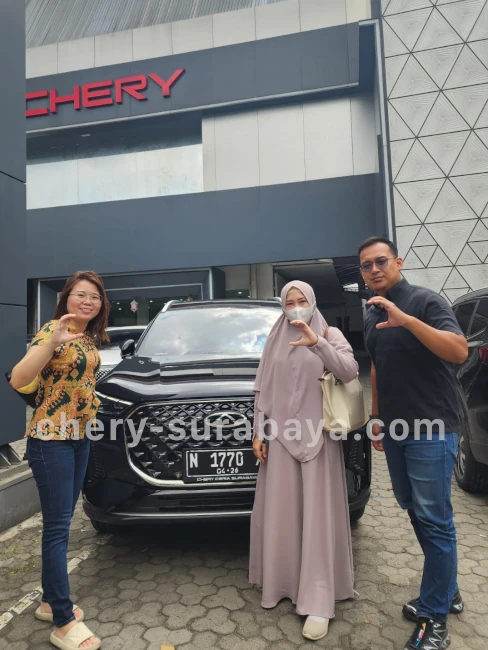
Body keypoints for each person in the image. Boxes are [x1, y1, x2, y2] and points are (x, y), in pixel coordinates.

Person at [359, 236, 468, 650]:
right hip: (397, 430)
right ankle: (447, 590)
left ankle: (434, 619)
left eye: (380, 261)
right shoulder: (372, 313)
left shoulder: (425, 301)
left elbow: (458, 351)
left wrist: (408, 321)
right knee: (415, 511)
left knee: (435, 519)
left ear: (398, 262)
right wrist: (376, 417)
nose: (374, 270)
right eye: (366, 265)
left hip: (433, 428)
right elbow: (377, 366)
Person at [249, 280, 359, 642]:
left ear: (312, 302)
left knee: (316, 517)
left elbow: (349, 371)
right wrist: (258, 432)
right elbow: (262, 390)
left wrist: (318, 344)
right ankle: (284, 584)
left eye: (302, 301)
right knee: (283, 514)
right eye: (289, 302)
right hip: (280, 438)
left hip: (319, 438)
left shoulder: (329, 332)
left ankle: (318, 599)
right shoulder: (274, 338)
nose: (295, 307)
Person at [10, 271, 110, 650]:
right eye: (80, 295)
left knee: (64, 521)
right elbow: (19, 378)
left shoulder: (88, 336)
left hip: (78, 438)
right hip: (50, 441)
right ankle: (64, 622)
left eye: (94, 297)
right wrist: (51, 343)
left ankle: (50, 603)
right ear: (66, 298)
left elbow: (80, 384)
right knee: (56, 528)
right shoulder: (53, 331)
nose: (87, 301)